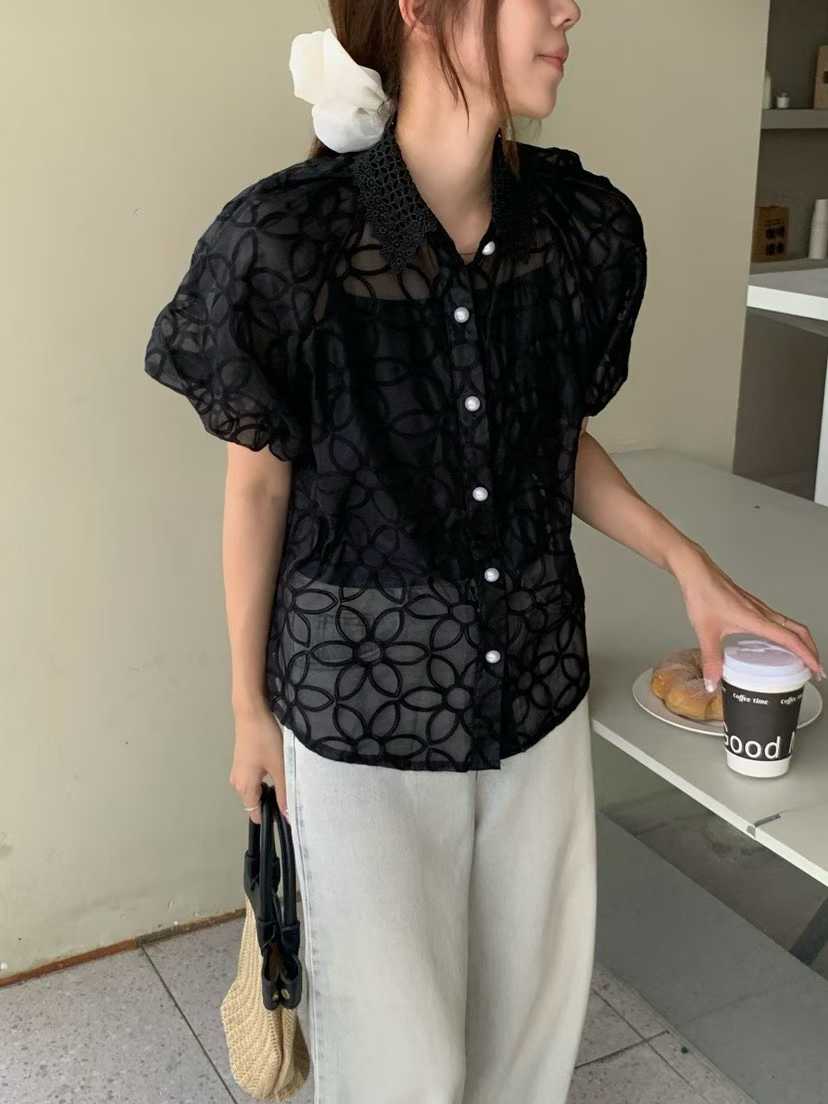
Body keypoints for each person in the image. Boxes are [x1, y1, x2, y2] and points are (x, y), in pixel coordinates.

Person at [144, 2, 825, 1100]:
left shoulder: (578, 228)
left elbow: (552, 443)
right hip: (361, 721)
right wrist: (247, 712)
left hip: (536, 704)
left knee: (527, 1053)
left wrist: (691, 567)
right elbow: (258, 486)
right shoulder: (287, 241)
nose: (569, 8)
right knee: (396, 1069)